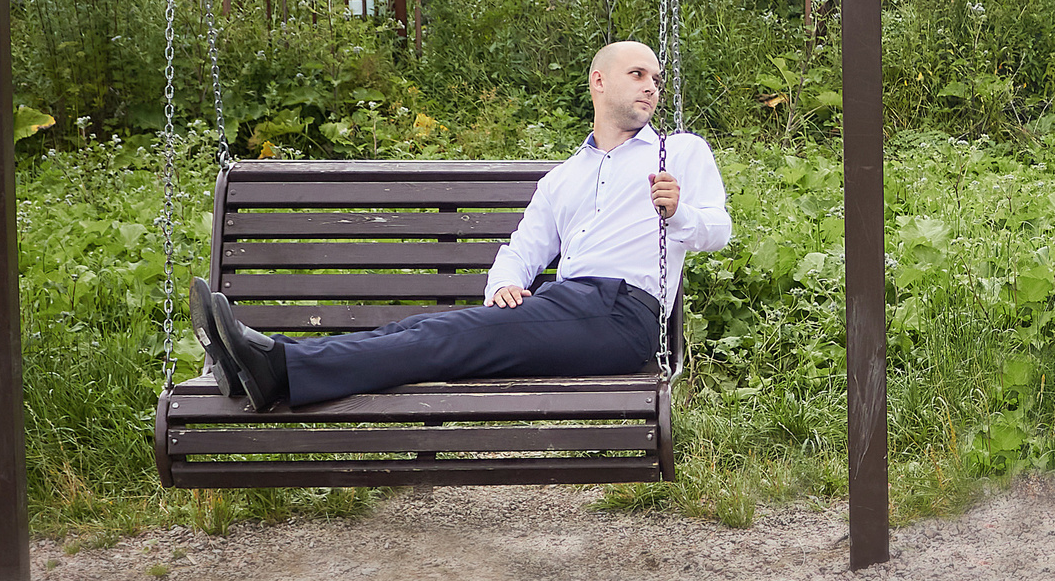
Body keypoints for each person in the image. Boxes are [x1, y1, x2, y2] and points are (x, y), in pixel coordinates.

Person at [194, 40, 731, 412]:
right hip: (564, 306)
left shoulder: (676, 152)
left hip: (620, 314)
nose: (651, 87)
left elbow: (717, 230)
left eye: (656, 79)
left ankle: (275, 364)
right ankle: (263, 364)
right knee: (414, 330)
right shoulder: (566, 176)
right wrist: (503, 285)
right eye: (637, 74)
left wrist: (677, 213)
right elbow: (522, 249)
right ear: (599, 80)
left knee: (442, 333)